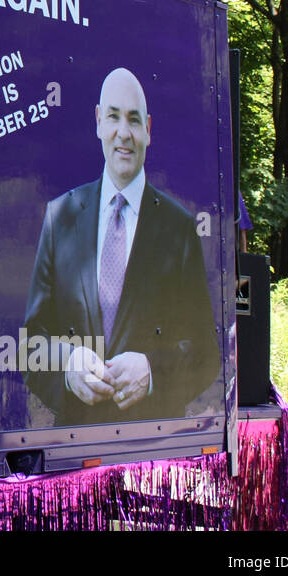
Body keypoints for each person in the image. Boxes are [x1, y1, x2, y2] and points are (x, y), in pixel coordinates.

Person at [23, 67, 220, 425]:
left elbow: (206, 355)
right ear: (99, 122)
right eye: (113, 117)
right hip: (74, 453)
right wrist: (68, 365)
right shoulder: (60, 218)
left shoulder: (179, 229)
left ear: (148, 129)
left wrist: (152, 372)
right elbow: (31, 346)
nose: (123, 133)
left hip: (151, 452)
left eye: (133, 120)